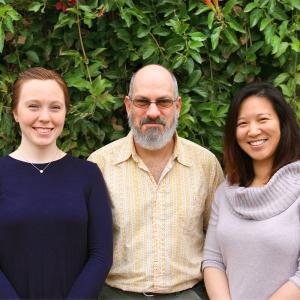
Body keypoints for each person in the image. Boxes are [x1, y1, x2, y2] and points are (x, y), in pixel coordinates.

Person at [88, 64, 224, 299]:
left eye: (163, 102)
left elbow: (220, 242)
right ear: (128, 105)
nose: (153, 112)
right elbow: (88, 247)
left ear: (178, 106)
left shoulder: (205, 165)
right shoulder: (100, 164)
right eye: (142, 102)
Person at [0, 67, 113, 300]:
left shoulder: (88, 175)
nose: (45, 117)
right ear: (15, 113)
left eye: (55, 107)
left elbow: (101, 254)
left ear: (65, 113)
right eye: (33, 106)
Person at [202, 82, 300, 300]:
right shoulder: (225, 192)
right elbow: (212, 260)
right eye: (243, 123)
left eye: (263, 119)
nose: (253, 130)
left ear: (283, 123)